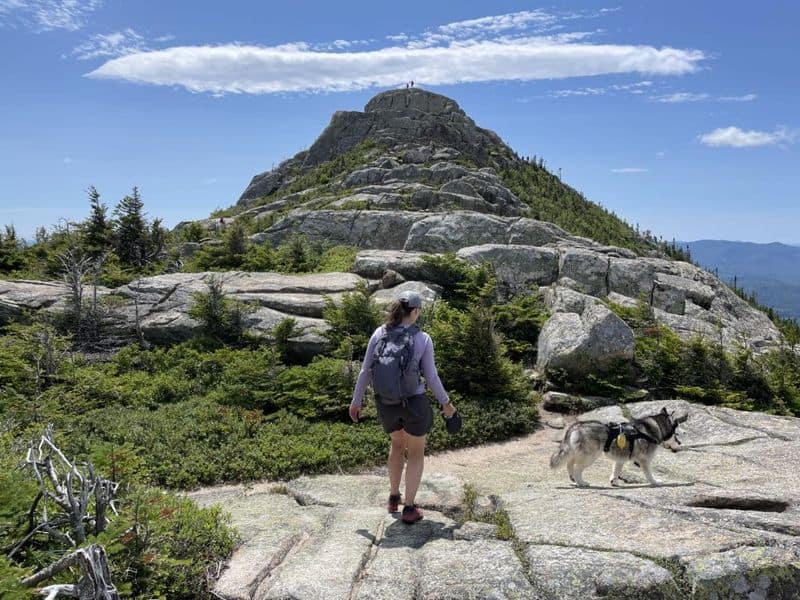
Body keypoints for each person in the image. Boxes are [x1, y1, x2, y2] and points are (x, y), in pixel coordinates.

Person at [349, 290, 456, 524]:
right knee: (416, 453)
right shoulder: (423, 338)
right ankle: (409, 508)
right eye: (419, 311)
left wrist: (356, 401)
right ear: (415, 311)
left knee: (397, 445)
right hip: (414, 404)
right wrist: (446, 403)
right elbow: (431, 377)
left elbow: (365, 371)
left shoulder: (379, 333)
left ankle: (393, 497)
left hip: (386, 404)